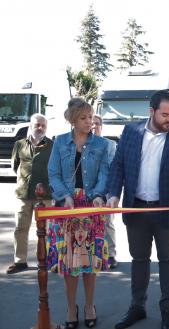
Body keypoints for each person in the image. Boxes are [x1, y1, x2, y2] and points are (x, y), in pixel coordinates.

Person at [106, 90, 169, 329]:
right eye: (165, 114)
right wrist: (112, 193)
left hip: (166, 212)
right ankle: (137, 307)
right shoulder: (131, 131)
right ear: (151, 111)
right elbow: (118, 166)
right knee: (139, 260)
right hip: (136, 209)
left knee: (167, 261)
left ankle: (167, 312)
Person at [47, 97, 110, 329]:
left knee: (90, 262)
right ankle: (71, 307)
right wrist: (65, 196)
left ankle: (89, 306)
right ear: (73, 120)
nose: (89, 121)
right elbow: (53, 173)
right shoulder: (60, 142)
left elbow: (105, 173)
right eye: (83, 118)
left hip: (92, 207)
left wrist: (99, 195)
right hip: (66, 206)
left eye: (91, 116)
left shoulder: (102, 144)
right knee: (70, 263)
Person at [7, 114, 53, 274]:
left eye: (43, 125)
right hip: (23, 195)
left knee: (46, 230)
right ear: (30, 126)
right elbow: (15, 166)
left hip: (45, 196)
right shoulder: (19, 144)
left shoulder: (52, 145)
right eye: (37, 125)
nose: (40, 128)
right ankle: (20, 262)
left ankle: (46, 260)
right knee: (21, 228)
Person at [92, 114, 118, 269]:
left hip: (106, 189)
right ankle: (92, 255)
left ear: (101, 126)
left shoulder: (110, 145)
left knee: (107, 223)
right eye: (92, 123)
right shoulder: (81, 143)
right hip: (86, 191)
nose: (94, 126)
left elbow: (113, 167)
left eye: (97, 123)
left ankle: (111, 255)